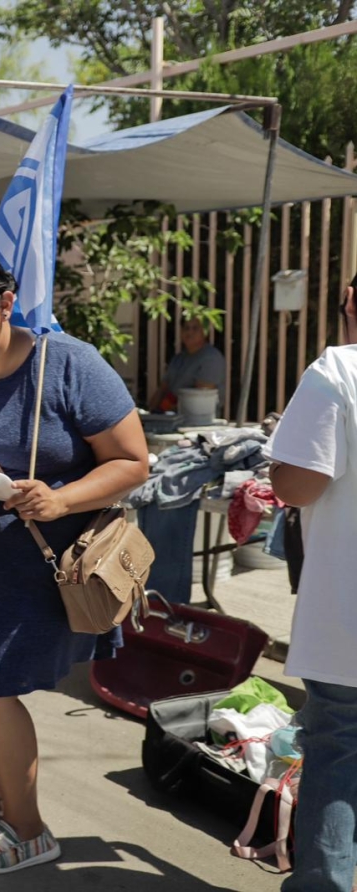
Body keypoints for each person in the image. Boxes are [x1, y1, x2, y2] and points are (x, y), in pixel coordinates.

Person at [0, 251, 148, 874]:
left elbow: (133, 462)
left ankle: (29, 831)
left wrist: (60, 498)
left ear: (5, 305)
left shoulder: (69, 365)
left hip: (47, 568)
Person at [266, 274, 357, 892]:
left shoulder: (339, 371)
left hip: (348, 618)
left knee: (341, 747)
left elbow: (296, 485)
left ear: (350, 304)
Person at [147, 314, 226, 413]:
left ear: (205, 332)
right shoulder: (178, 359)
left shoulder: (211, 358)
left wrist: (165, 409)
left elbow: (200, 397)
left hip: (198, 422)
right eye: (186, 328)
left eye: (195, 328)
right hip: (172, 417)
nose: (189, 332)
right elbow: (162, 389)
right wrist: (151, 412)